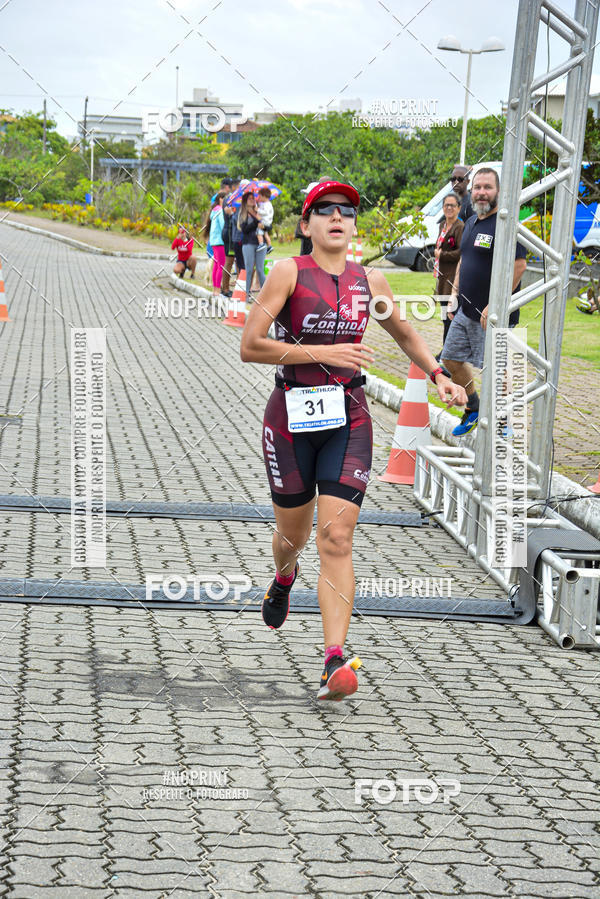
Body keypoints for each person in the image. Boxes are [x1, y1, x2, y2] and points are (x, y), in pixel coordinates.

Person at [240, 181, 466, 701]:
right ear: (307, 225)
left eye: (346, 211)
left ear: (354, 226)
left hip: (350, 418)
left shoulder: (371, 281)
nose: (336, 218)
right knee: (292, 538)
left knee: (337, 538)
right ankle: (284, 576)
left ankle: (333, 659)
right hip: (290, 420)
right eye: (324, 211)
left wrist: (438, 376)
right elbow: (251, 345)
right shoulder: (288, 273)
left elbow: (405, 333)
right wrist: (324, 355)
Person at [442, 168, 527, 436]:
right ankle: (474, 407)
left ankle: (504, 422)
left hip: (493, 315)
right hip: (466, 311)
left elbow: (520, 266)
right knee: (451, 359)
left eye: (487, 187)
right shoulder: (470, 223)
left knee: (497, 370)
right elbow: (464, 261)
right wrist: (454, 294)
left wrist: (497, 304)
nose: (481, 192)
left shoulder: (506, 224)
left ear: (498, 192)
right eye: (477, 187)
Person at [433, 192, 464, 349]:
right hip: (442, 278)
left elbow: (461, 253)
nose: (449, 208)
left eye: (453, 205)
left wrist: (441, 255)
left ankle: (447, 352)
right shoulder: (442, 225)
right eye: (446, 205)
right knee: (445, 316)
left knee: (450, 318)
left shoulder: (460, 227)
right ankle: (446, 351)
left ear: (459, 208)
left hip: (453, 279)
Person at [239, 191, 267, 302]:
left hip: (260, 243)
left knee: (260, 270)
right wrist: (256, 222)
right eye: (250, 198)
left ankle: (266, 295)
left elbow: (266, 228)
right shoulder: (243, 213)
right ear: (245, 201)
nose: (252, 200)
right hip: (248, 243)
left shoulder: (259, 211)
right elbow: (244, 229)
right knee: (249, 269)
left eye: (253, 198)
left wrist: (263, 225)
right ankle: (246, 294)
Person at [202, 189, 227, 297]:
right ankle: (217, 291)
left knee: (216, 266)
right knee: (220, 266)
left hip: (214, 242)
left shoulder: (214, 211)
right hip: (220, 242)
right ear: (221, 199)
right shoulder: (220, 211)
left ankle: (215, 289)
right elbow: (223, 226)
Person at [222, 178, 241, 296]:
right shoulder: (230, 198)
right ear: (234, 187)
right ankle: (225, 289)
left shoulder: (234, 198)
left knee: (237, 262)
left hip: (232, 232)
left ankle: (237, 290)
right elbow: (232, 215)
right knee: (229, 261)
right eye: (239, 186)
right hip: (229, 232)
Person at [256, 187, 274, 253]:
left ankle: (261, 244)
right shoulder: (267, 203)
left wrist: (258, 210)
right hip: (268, 222)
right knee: (265, 234)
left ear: (264, 196)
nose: (259, 198)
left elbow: (265, 212)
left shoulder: (267, 204)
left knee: (259, 232)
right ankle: (269, 246)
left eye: (260, 196)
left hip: (264, 222)